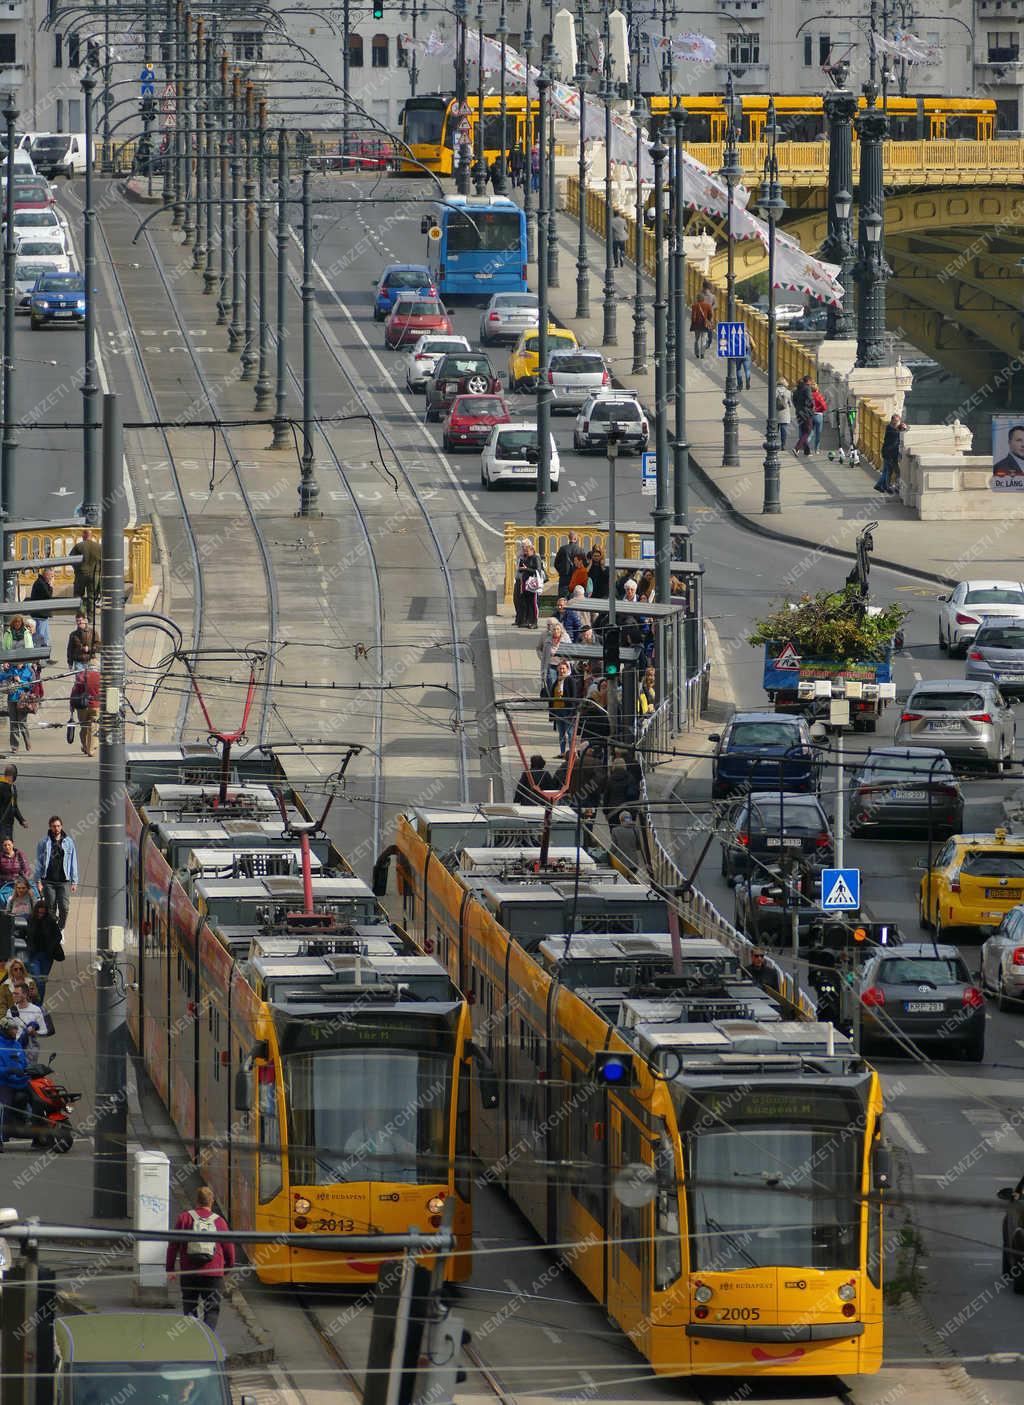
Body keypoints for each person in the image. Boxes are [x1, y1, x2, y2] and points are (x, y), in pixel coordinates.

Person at [166, 1186, 235, 1329]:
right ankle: (208, 1342)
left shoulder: (184, 1218)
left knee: (190, 1310)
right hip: (213, 1274)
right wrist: (227, 1268)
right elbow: (229, 1249)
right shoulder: (220, 1222)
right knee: (212, 1310)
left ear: (196, 1201)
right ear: (212, 1201)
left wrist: (170, 1269)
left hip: (189, 1273)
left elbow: (173, 1245)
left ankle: (194, 1340)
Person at [36, 816, 79, 931]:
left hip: (63, 881)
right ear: (50, 827)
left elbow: (73, 862)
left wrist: (74, 881)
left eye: (58, 826)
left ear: (62, 826)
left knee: (64, 908)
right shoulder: (43, 843)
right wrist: (38, 881)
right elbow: (39, 863)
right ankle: (53, 930)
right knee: (50, 908)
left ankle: (60, 928)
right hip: (48, 881)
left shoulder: (69, 842)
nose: (56, 828)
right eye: (54, 826)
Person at [24, 900, 63, 1001]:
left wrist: (51, 947)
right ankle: (35, 1001)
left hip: (47, 956)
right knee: (37, 979)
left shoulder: (50, 922)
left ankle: (39, 1002)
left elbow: (58, 936)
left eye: (42, 913)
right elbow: (24, 934)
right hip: (34, 955)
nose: (40, 915)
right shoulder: (30, 920)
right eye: (39, 913)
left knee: (42, 980)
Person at [0, 1015, 29, 1149]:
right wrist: (9, 1070)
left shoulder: (17, 1044)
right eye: (12, 1029)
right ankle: (1, 1138)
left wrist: (29, 1070)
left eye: (16, 1029)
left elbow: (24, 1062)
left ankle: (41, 1136)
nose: (15, 1032)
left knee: (39, 1098)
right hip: (5, 1083)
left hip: (22, 1081)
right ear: (4, 1030)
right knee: (5, 1107)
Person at [9, 983, 52, 1061]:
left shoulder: (36, 1010)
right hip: (14, 1047)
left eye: (16, 994)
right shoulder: (11, 1010)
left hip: (30, 1049)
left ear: (25, 995)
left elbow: (44, 1031)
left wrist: (34, 1033)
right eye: (13, 993)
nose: (14, 996)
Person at [2, 659, 36, 754]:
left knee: (22, 722)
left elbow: (32, 685)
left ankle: (27, 742)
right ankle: (14, 746)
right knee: (13, 723)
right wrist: (6, 672)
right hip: (11, 699)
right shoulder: (10, 669)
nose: (17, 663)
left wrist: (20, 681)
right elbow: (1, 678)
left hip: (22, 700)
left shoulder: (29, 670)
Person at [548, 660, 579, 757]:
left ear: (567, 669)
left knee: (570, 733)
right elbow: (552, 696)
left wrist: (573, 710)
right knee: (561, 733)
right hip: (557, 710)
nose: (561, 671)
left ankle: (571, 752)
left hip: (567, 710)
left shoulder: (570, 680)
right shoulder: (557, 681)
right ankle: (562, 752)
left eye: (563, 669)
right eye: (560, 669)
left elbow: (574, 696)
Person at [70, 528, 102, 617]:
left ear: (84, 535)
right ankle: (91, 617)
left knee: (78, 595)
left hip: (81, 574)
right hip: (95, 575)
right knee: (92, 597)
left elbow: (71, 559)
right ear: (91, 535)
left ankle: (81, 614)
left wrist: (76, 569)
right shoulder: (99, 547)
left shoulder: (79, 546)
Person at [513, 538, 544, 629]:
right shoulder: (526, 558)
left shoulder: (536, 557)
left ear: (532, 550)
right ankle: (528, 621)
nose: (525, 552)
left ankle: (535, 622)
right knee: (527, 603)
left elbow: (537, 570)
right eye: (524, 550)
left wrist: (526, 569)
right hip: (526, 584)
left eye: (527, 550)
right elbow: (520, 568)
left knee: (534, 604)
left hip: (533, 585)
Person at [70, 667, 101, 757]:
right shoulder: (101, 677)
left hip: (82, 706)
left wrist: (71, 706)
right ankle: (91, 750)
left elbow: (74, 692)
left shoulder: (81, 676)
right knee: (94, 727)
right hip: (95, 706)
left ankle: (85, 746)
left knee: (84, 727)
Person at [875, 413, 906, 494]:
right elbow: (896, 433)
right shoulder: (890, 429)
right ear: (892, 420)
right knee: (893, 471)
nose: (896, 422)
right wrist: (903, 429)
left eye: (898, 421)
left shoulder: (893, 427)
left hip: (890, 453)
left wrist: (903, 427)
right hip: (890, 454)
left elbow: (900, 430)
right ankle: (890, 486)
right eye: (895, 421)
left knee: (888, 470)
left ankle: (882, 486)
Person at [28, 567, 54, 653]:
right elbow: (49, 596)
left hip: (43, 615)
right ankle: (38, 656)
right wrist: (51, 585)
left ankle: (45, 657)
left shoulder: (42, 582)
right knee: (40, 637)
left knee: (46, 637)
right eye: (51, 576)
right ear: (46, 575)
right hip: (40, 615)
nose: (52, 578)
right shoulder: (41, 583)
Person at [0, 765, 26, 845]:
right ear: (13, 776)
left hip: (8, 824)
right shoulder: (3, 786)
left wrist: (21, 820)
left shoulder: (12, 787)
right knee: (5, 848)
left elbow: (14, 807)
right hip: (3, 824)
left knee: (7, 848)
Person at [537, 619, 565, 692]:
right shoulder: (547, 641)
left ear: (561, 630)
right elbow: (543, 657)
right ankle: (552, 700)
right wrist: (543, 671)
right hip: (551, 665)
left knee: (562, 685)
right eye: (554, 629)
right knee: (552, 683)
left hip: (562, 665)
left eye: (558, 629)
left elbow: (571, 653)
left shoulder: (565, 639)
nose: (556, 631)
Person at [553, 532, 581, 597]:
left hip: (564, 577)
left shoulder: (563, 549)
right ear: (576, 538)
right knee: (575, 598)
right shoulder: (580, 550)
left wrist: (562, 571)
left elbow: (556, 563)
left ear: (569, 538)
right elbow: (584, 565)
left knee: (563, 598)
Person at [793, 375, 814, 457]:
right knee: (808, 431)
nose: (812, 383)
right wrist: (811, 406)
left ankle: (807, 451)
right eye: (811, 381)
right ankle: (796, 448)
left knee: (803, 431)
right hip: (806, 413)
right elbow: (810, 399)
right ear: (808, 381)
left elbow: (794, 400)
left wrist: (798, 408)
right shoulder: (807, 388)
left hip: (799, 412)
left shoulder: (796, 389)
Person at [775, 377, 794, 451]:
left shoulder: (774, 391)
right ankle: (783, 445)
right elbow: (790, 404)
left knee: (774, 430)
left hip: (775, 413)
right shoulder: (788, 392)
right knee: (784, 430)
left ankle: (774, 444)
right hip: (785, 414)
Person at [810, 381, 828, 453]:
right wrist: (820, 410)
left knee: (810, 433)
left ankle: (807, 447)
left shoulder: (809, 396)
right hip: (818, 415)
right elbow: (824, 406)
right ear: (817, 388)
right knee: (818, 433)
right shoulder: (819, 395)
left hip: (810, 415)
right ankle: (816, 449)